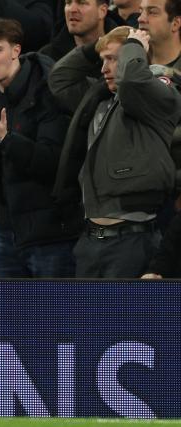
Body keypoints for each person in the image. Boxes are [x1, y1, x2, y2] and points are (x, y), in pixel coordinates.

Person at [50, 27, 181, 278]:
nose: (103, 69)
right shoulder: (99, 100)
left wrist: (133, 45)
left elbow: (132, 82)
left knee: (124, 318)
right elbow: (60, 78)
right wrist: (97, 44)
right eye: (103, 60)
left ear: (137, 56)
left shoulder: (160, 96)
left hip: (132, 240)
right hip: (89, 240)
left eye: (113, 59)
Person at [0, 18, 80, 278]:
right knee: (8, 317)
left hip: (51, 231)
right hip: (5, 229)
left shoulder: (48, 91)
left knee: (53, 316)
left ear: (16, 51)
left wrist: (5, 140)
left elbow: (53, 161)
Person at [40, 0, 117, 63]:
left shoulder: (124, 52)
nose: (72, 10)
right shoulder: (46, 58)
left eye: (81, 3)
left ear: (102, 11)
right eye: (68, 3)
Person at [138, 0, 181, 67]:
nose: (140, 19)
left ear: (175, 24)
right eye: (140, 12)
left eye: (152, 12)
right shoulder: (130, 60)